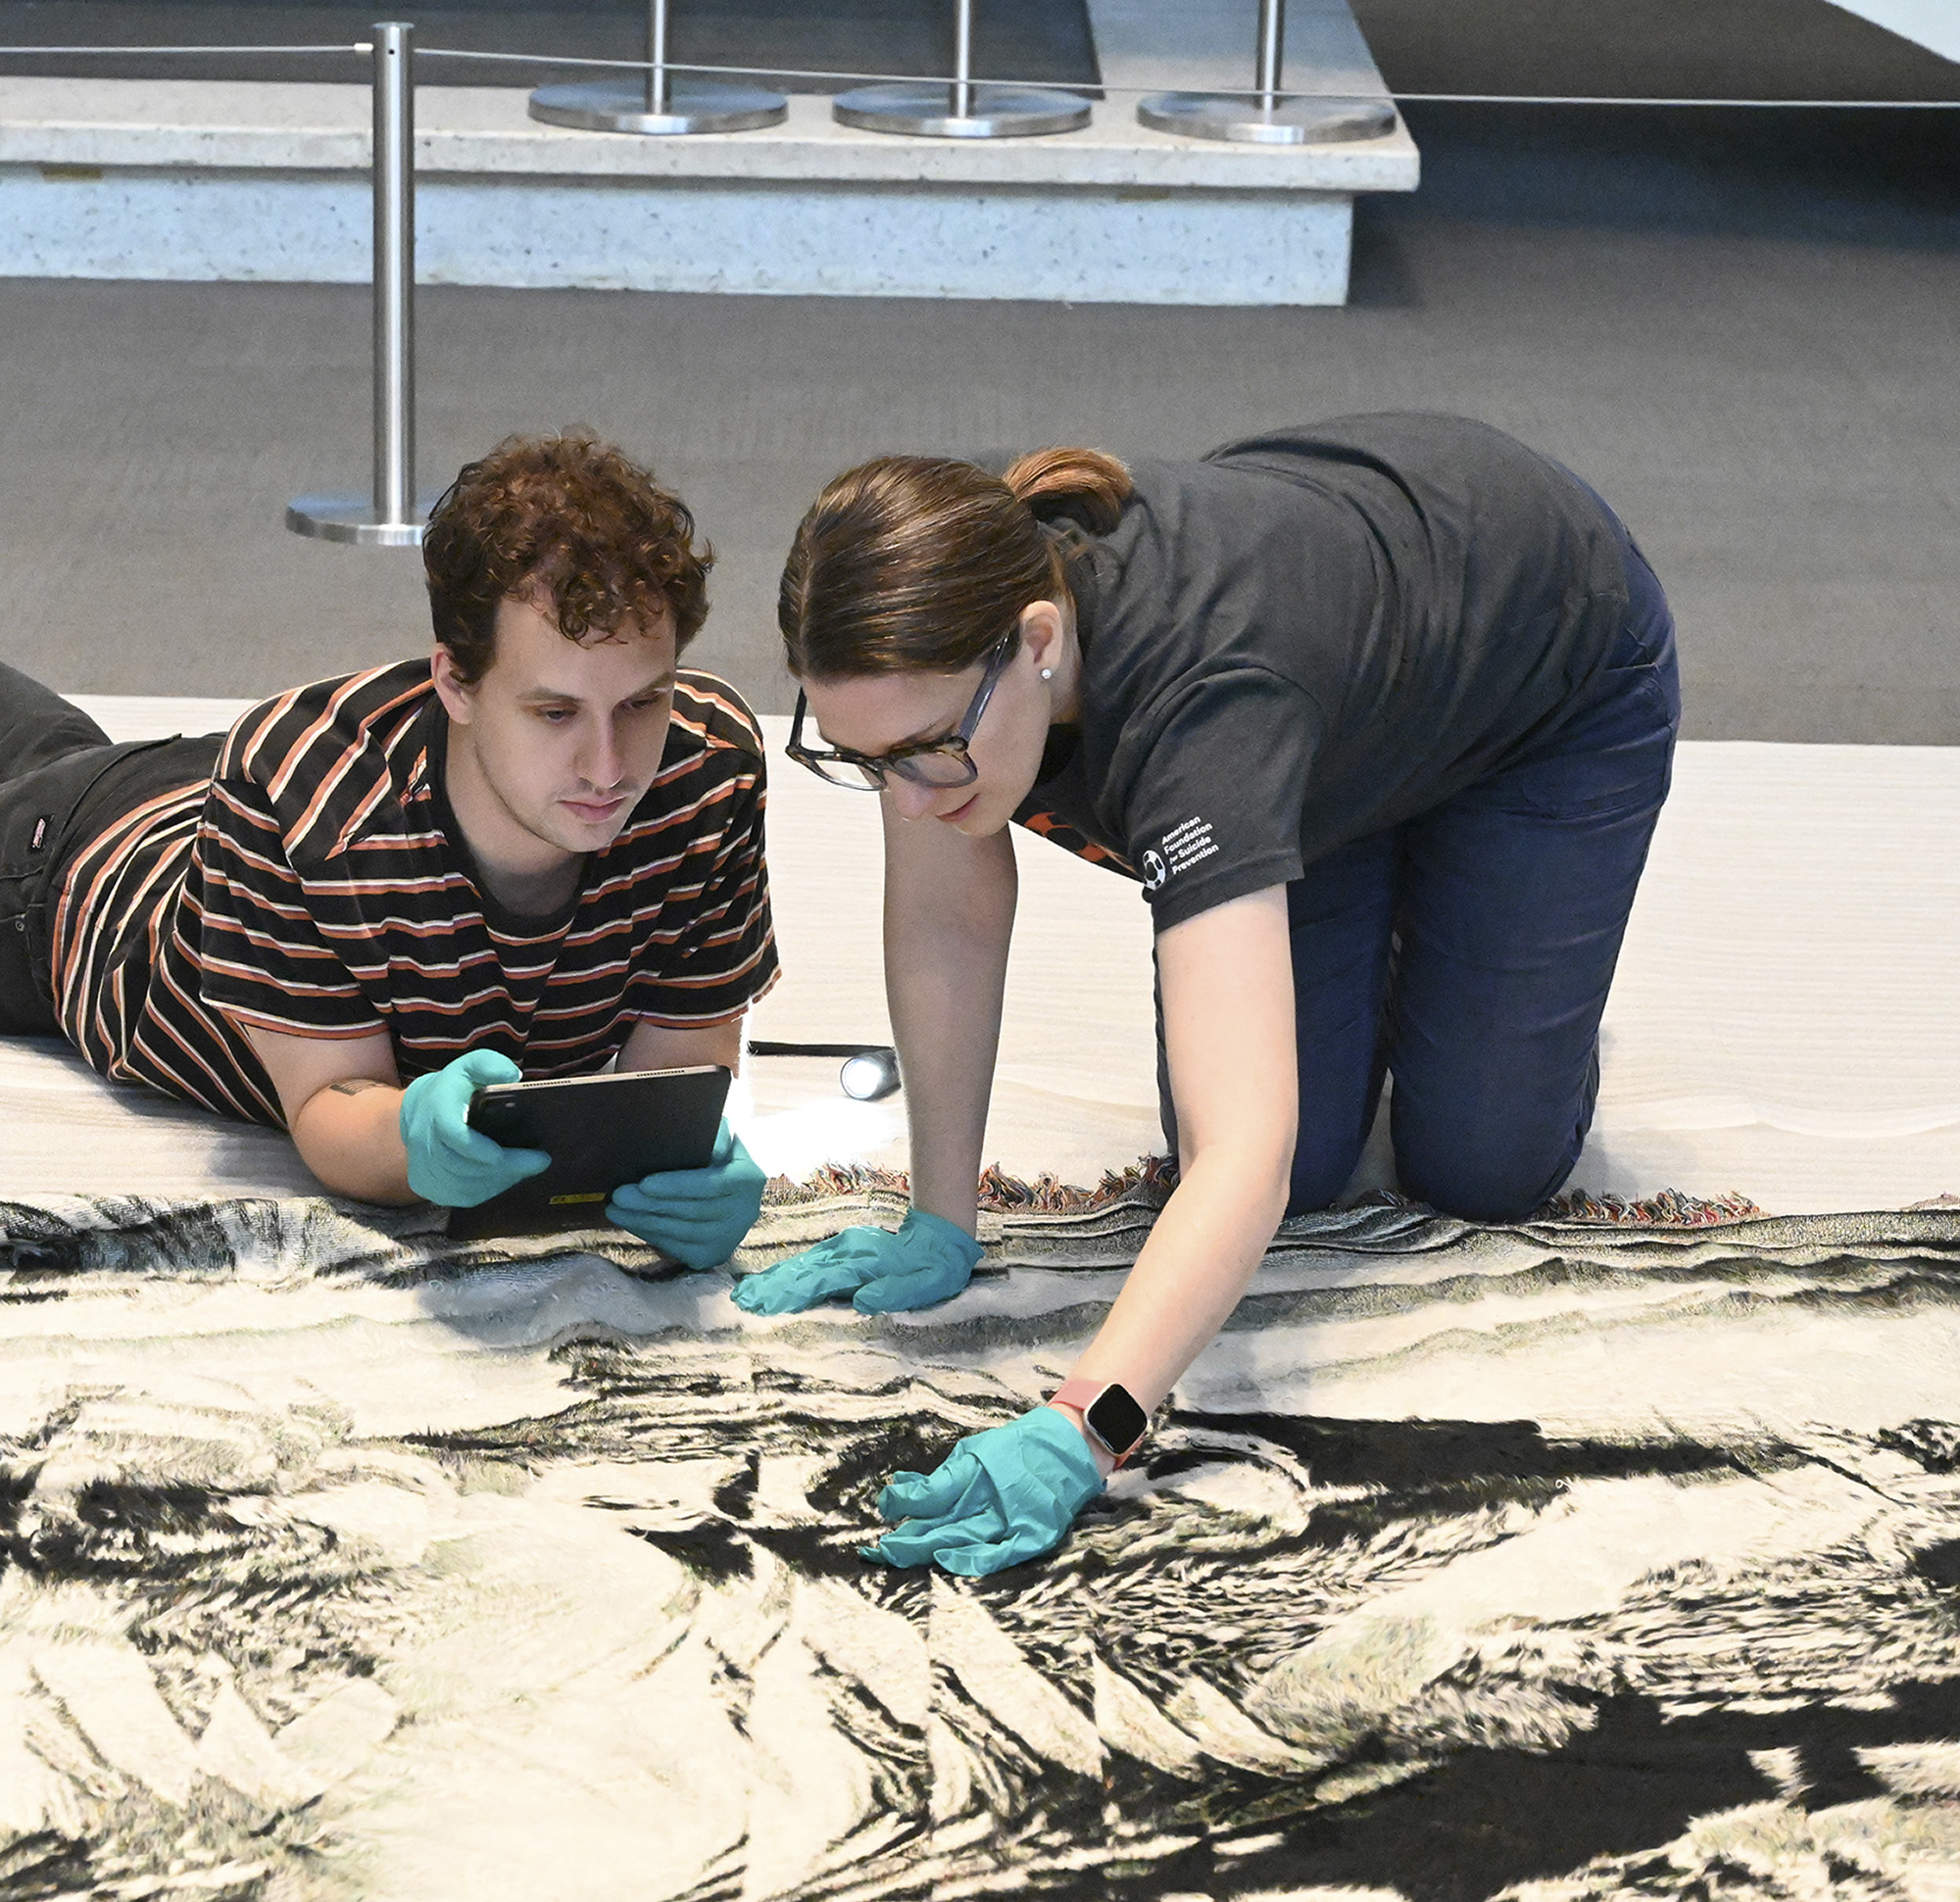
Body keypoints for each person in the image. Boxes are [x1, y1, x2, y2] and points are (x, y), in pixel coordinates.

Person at [734, 412, 1681, 1575]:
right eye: (863, 758)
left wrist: (1089, 1424)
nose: (907, 796)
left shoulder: (1201, 715)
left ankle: (1486, 917)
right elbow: (945, 919)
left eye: (922, 753)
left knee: (1479, 1160)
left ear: (1034, 640)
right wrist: (940, 1213)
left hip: (1543, 671)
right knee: (1308, 1176)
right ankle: (1391, 867)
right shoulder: (926, 602)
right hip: (1319, 713)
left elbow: (1246, 1150)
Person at [0, 431, 776, 1266]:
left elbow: (675, 1085)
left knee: (49, 742)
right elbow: (330, 1107)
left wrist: (684, 1167)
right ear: (453, 682)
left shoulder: (708, 773)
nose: (608, 768)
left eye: (639, 705)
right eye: (554, 713)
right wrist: (412, 1138)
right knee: (56, 764)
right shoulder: (299, 794)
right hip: (74, 881)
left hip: (250, 809)